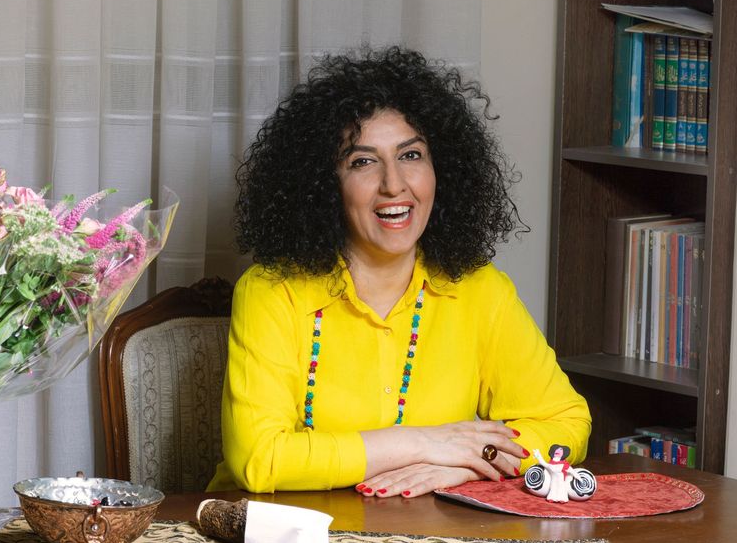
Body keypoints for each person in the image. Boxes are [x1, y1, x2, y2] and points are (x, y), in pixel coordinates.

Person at [207, 46, 591, 497]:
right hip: (288, 538)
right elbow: (261, 459)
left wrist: (468, 464)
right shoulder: (272, 292)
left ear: (440, 168)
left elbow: (566, 422)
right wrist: (427, 443)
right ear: (323, 184)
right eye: (363, 161)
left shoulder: (481, 290)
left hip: (435, 535)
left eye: (411, 155)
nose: (394, 184)